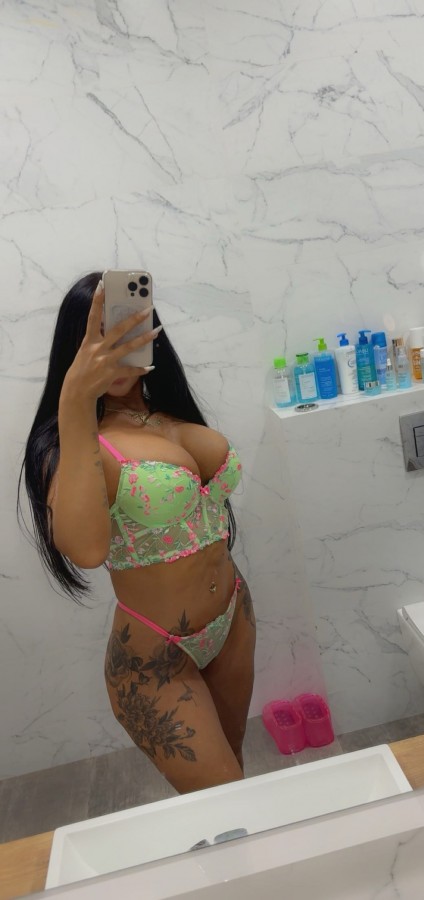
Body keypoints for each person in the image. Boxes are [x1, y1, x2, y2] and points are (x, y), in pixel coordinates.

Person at [19, 272, 256, 794]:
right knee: (228, 802)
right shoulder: (75, 446)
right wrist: (75, 400)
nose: (113, 354)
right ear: (74, 351)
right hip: (155, 660)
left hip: (233, 619)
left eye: (125, 333)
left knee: (237, 772)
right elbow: (85, 549)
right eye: (96, 341)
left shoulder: (169, 416)